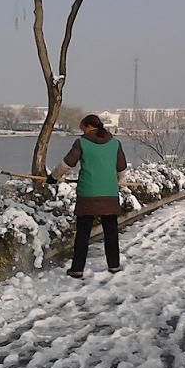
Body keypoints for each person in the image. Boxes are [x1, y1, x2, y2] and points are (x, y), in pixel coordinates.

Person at [46, 114, 128, 278]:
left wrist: (53, 178)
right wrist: (117, 182)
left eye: (82, 127)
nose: (81, 130)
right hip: (109, 194)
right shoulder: (115, 143)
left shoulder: (81, 143)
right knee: (111, 232)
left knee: (83, 233)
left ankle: (77, 269)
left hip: (88, 194)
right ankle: (114, 265)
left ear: (89, 126)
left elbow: (66, 164)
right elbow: (122, 169)